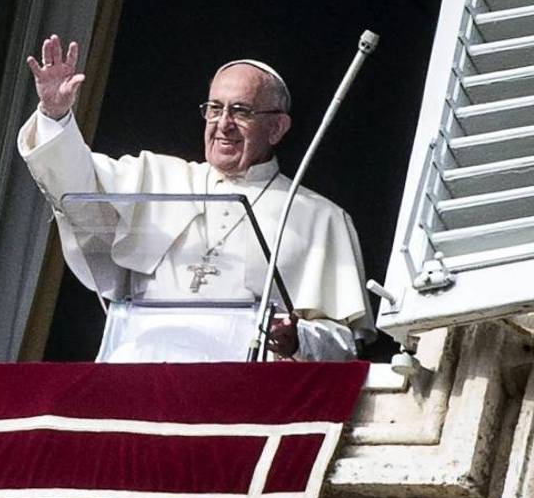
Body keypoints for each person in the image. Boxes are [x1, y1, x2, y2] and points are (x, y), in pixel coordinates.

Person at [19, 35, 371, 361]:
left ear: (277, 127)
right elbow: (77, 189)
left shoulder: (320, 217)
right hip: (141, 369)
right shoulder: (158, 177)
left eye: (241, 111)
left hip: (242, 389)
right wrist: (55, 115)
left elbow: (343, 345)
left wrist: (297, 340)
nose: (223, 123)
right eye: (215, 108)